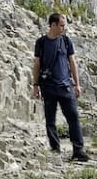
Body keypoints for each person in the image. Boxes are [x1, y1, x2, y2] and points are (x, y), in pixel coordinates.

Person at [32, 12, 89, 161]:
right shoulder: (41, 43)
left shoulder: (66, 41)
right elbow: (37, 65)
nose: (64, 28)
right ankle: (55, 148)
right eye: (62, 25)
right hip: (48, 87)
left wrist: (77, 84)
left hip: (65, 86)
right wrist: (35, 85)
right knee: (50, 119)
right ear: (53, 25)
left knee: (73, 117)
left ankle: (78, 150)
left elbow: (73, 62)